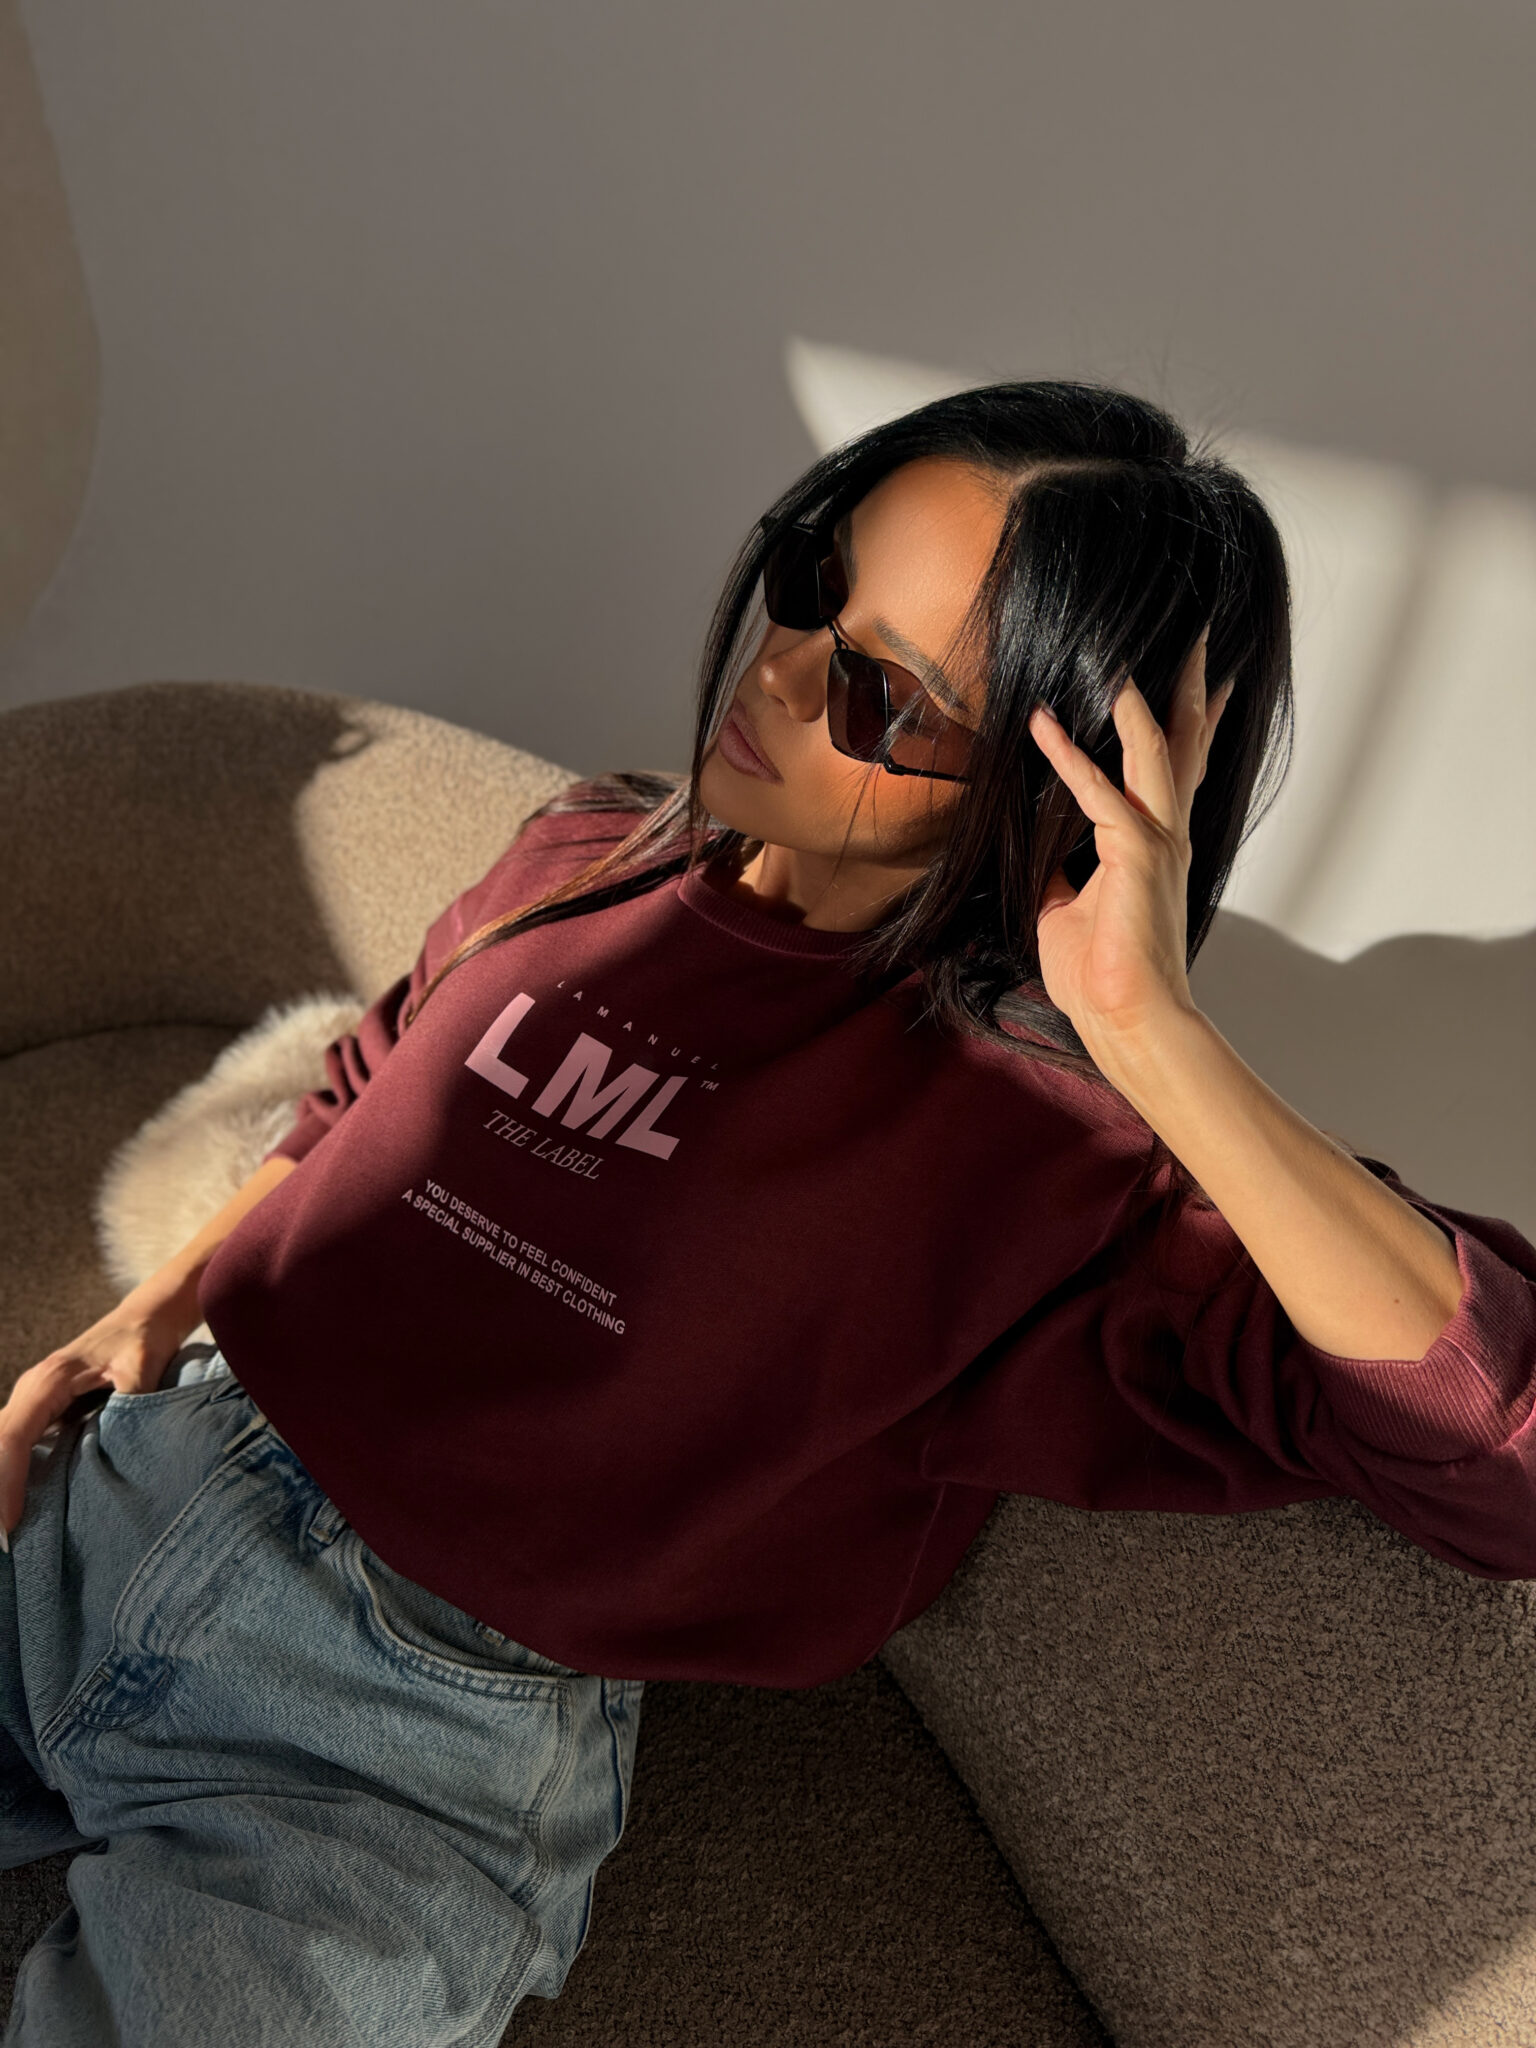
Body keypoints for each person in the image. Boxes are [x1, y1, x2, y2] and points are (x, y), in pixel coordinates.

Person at [3, 380, 1534, 2044]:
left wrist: (1156, 1032)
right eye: (815, 582)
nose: (784, 673)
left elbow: (1504, 1458)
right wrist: (157, 1303)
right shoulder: (592, 850)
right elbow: (376, 1074)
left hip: (391, 1741)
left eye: (885, 696)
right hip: (139, 1484)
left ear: (1054, 785)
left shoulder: (1050, 1139)